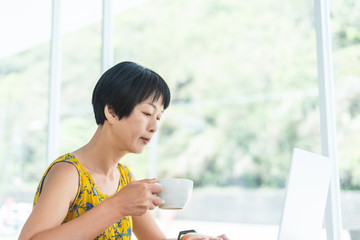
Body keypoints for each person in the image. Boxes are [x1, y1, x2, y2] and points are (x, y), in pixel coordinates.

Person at [19, 61, 229, 240]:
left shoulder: (125, 179)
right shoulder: (68, 173)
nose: (154, 127)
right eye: (147, 112)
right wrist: (116, 206)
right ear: (111, 111)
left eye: (158, 117)